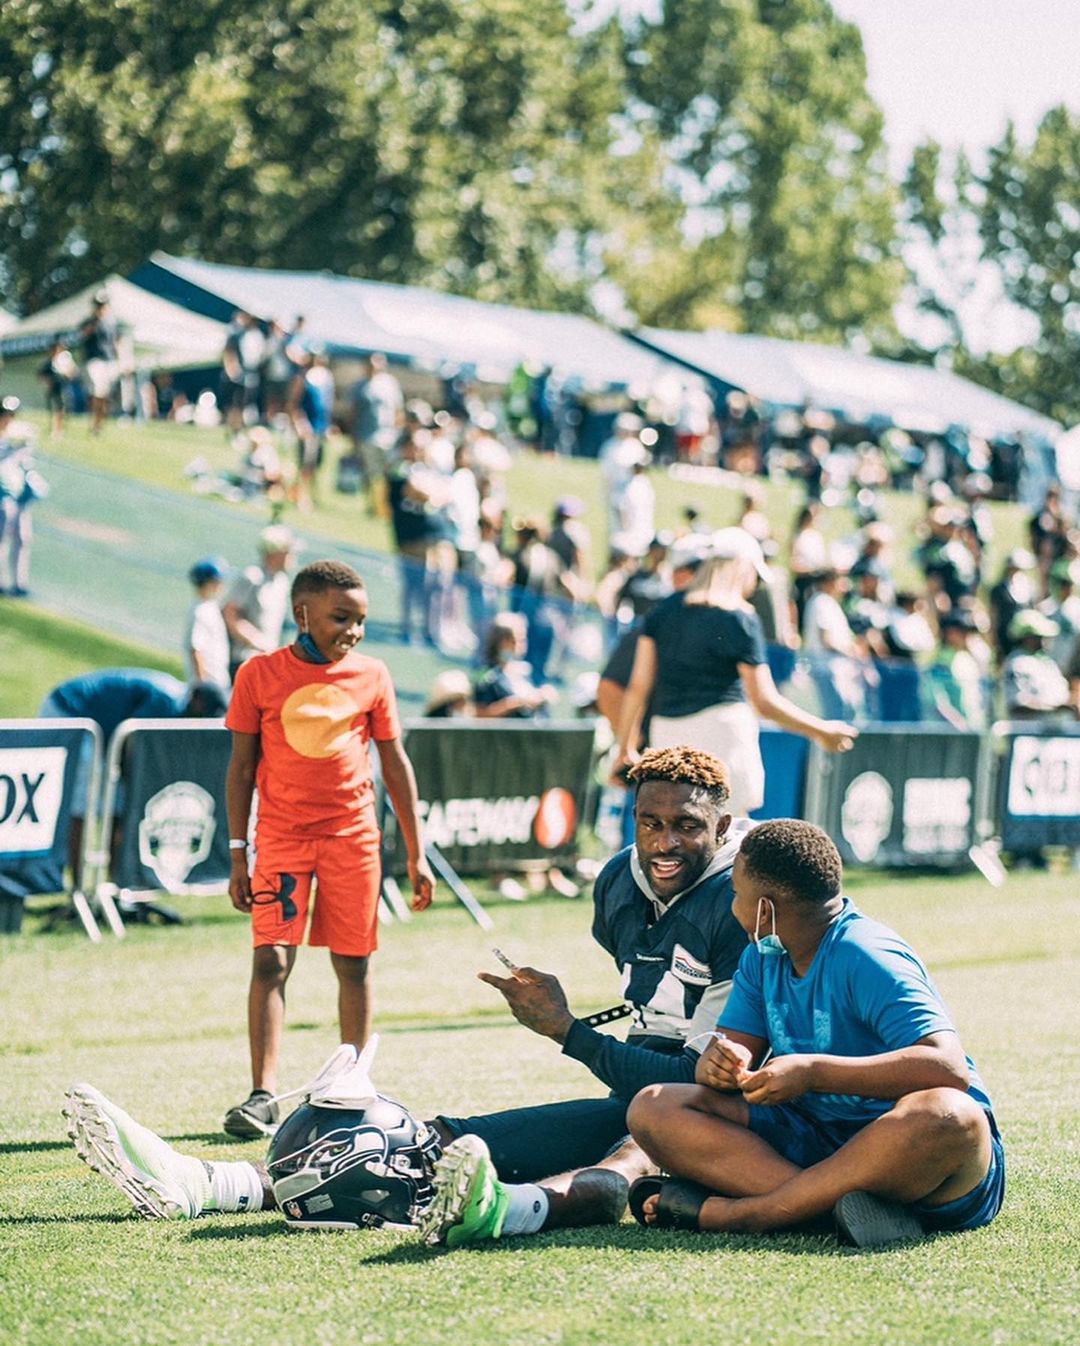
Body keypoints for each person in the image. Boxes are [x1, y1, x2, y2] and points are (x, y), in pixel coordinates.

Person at [63, 747, 750, 1242]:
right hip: (633, 1094)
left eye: (688, 826)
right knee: (432, 1141)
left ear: (722, 828)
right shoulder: (618, 882)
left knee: (619, 1169)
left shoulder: (744, 902)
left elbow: (694, 1078)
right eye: (649, 822)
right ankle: (211, 1185)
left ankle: (508, 1212)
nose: (664, 842)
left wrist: (568, 1031)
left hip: (711, 1113)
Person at [623, 818, 1005, 1248]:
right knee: (653, 1108)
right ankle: (832, 1210)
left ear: (765, 908)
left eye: (735, 894)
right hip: (811, 1135)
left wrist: (814, 1072)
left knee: (950, 1115)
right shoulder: (761, 955)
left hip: (907, 1153)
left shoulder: (867, 953)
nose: (732, 906)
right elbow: (732, 1051)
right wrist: (720, 1066)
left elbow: (948, 1068)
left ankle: (749, 1214)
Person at [222, 559, 435, 1139]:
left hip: (353, 840)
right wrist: (239, 854)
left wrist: (416, 853)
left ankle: (351, 1088)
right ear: (302, 614)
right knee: (271, 959)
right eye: (342, 618)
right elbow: (241, 771)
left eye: (361, 620)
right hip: (282, 842)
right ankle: (261, 1095)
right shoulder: (259, 675)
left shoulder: (372, 676)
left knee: (354, 963)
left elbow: (395, 765)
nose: (354, 631)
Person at [616, 529, 857, 816]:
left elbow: (638, 686)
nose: (753, 585)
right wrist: (821, 730)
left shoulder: (662, 612)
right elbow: (764, 702)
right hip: (724, 734)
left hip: (668, 734)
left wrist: (624, 748)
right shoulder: (740, 618)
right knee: (727, 828)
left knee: (676, 828)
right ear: (742, 568)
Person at [38, 669, 227, 886]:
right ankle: (78, 890)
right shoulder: (166, 701)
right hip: (70, 711)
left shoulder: (182, 704)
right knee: (82, 805)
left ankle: (117, 888)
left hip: (100, 727)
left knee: (119, 810)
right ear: (196, 699)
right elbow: (133, 746)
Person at [221, 525, 297, 683]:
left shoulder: (281, 582)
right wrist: (256, 641)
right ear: (274, 552)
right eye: (288, 551)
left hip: (265, 660)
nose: (292, 556)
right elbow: (230, 614)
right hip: (243, 659)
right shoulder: (252, 577)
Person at [0, 397, 47, 597]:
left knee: (22, 537)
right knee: (1, 537)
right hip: (3, 493)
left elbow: (31, 439)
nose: (8, 418)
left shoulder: (18, 435)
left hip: (19, 494)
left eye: (11, 414)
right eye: (5, 414)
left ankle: (20, 584)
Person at [182, 557, 230, 693]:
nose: (222, 585)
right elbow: (195, 649)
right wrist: (203, 685)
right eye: (218, 581)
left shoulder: (211, 606)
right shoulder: (200, 611)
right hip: (209, 685)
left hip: (218, 680)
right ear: (207, 583)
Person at [79, 293, 119, 434]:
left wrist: (120, 360)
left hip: (109, 360)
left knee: (105, 395)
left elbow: (115, 343)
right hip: (94, 360)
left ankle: (99, 425)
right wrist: (95, 321)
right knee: (97, 391)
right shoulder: (88, 322)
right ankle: (93, 422)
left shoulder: (111, 323)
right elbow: (83, 335)